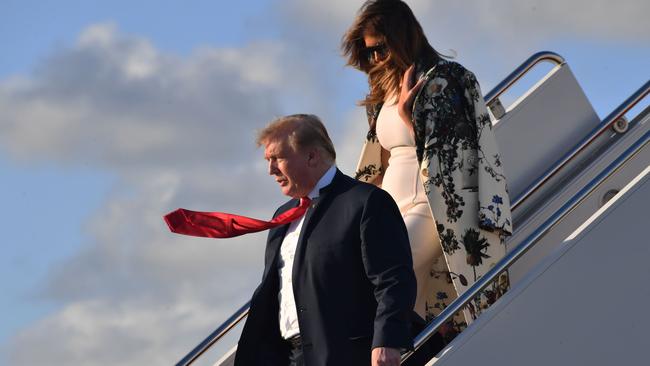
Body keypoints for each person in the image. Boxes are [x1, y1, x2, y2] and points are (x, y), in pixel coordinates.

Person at [342, 0, 513, 345]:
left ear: (401, 37)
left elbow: (457, 151)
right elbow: (381, 157)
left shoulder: (448, 78)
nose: (375, 59)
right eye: (369, 52)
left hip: (433, 203)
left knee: (389, 270)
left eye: (381, 48)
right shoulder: (381, 93)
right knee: (406, 296)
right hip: (390, 203)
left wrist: (409, 117)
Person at [232, 114, 417, 366]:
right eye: (268, 160)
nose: (270, 170)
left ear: (311, 156)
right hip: (292, 358)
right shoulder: (281, 216)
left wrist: (387, 339)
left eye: (278, 158)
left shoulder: (365, 202)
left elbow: (394, 280)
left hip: (348, 355)